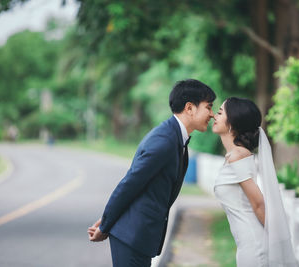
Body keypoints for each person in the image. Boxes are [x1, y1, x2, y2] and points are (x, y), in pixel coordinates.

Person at [88, 79, 216, 267]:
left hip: (139, 237)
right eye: (209, 107)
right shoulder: (164, 140)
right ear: (190, 108)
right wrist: (106, 224)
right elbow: (130, 184)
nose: (212, 114)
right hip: (131, 236)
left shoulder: (175, 137)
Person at [212, 97, 297, 267]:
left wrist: (276, 245)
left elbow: (258, 204)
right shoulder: (233, 156)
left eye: (220, 112)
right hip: (247, 244)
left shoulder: (238, 156)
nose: (214, 116)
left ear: (233, 122)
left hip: (254, 246)